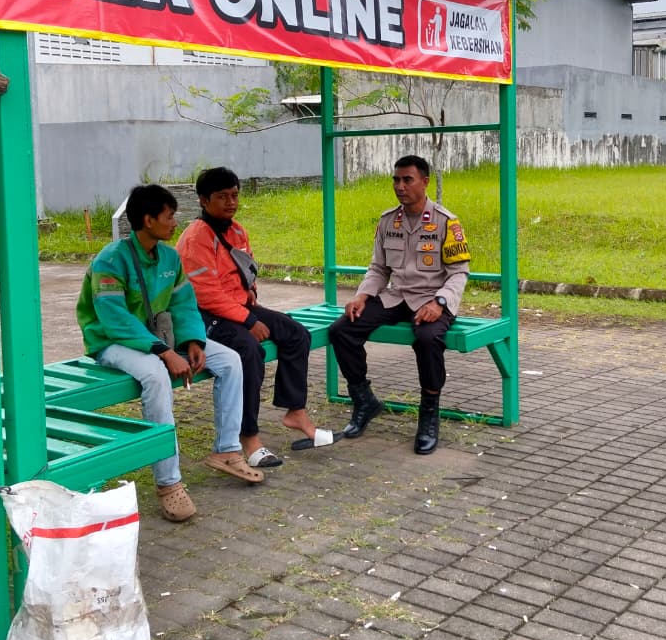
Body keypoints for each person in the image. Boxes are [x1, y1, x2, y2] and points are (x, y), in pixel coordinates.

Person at [76, 183, 264, 523]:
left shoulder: (169, 257)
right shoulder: (110, 260)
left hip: (157, 338)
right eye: (169, 216)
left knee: (230, 361)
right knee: (155, 376)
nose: (175, 223)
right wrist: (164, 351)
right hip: (112, 342)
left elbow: (183, 304)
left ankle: (227, 450)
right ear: (148, 220)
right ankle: (169, 483)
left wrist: (193, 341)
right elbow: (114, 319)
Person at [176, 167, 340, 466]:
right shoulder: (195, 238)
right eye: (222, 197)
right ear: (203, 200)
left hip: (237, 307)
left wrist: (250, 290)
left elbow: (247, 267)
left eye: (234, 195)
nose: (231, 202)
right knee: (248, 351)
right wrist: (248, 320)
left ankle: (295, 411)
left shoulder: (237, 230)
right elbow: (205, 294)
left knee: (296, 334)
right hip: (205, 315)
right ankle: (249, 437)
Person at [327, 155, 471, 455]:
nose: (400, 186)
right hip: (398, 296)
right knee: (342, 330)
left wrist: (440, 302)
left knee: (428, 339)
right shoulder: (388, 221)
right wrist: (362, 295)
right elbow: (379, 268)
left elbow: (459, 273)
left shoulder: (446, 222)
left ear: (425, 182)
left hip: (432, 298)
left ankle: (429, 414)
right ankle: (364, 400)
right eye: (396, 179)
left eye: (407, 180)